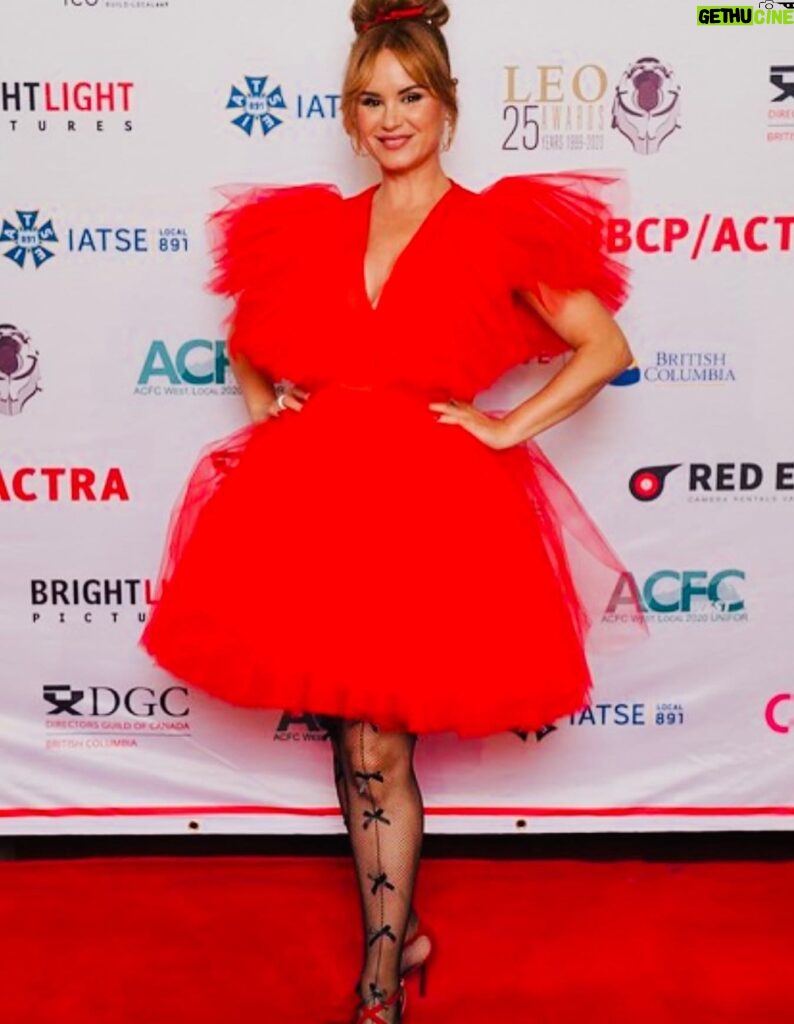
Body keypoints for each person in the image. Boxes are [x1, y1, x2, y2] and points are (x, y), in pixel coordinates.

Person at [139, 2, 647, 1020]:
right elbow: (250, 336)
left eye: (411, 95)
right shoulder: (312, 225)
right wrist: (264, 407)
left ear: (447, 106)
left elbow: (605, 349)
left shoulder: (498, 224)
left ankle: (381, 975)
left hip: (429, 510)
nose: (390, 117)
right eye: (371, 99)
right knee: (350, 731)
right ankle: (400, 924)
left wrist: (507, 431)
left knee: (376, 739)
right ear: (349, 112)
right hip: (317, 500)